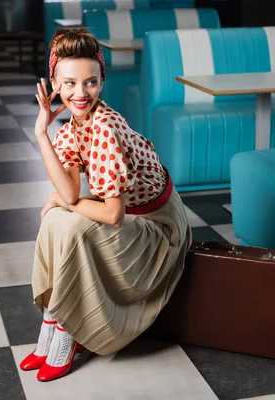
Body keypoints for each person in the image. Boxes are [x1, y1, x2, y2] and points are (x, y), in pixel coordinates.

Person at [19, 27, 192, 382]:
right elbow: (67, 195)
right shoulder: (71, 127)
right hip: (130, 215)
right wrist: (41, 133)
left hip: (159, 227)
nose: (80, 94)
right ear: (54, 83)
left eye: (91, 83)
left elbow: (112, 214)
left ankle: (69, 327)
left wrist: (70, 202)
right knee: (56, 217)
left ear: (102, 81)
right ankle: (51, 317)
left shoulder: (104, 129)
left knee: (73, 223)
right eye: (68, 84)